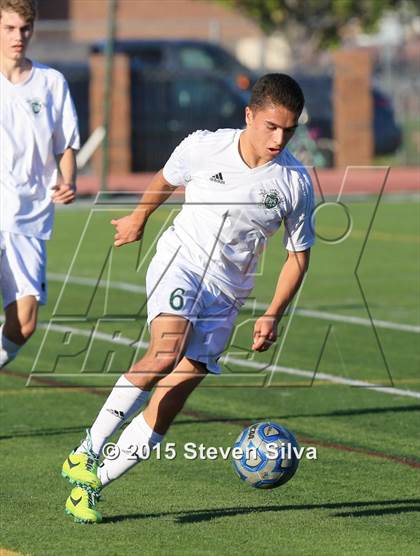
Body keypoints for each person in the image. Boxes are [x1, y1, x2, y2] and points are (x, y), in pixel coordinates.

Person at [62, 73, 315, 524]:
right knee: (165, 351)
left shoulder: (294, 182)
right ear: (249, 116)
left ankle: (91, 485)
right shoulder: (205, 146)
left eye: (289, 129)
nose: (280, 138)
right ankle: (86, 450)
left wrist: (273, 313)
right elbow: (166, 177)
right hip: (182, 262)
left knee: (174, 395)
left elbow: (298, 256)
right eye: (271, 127)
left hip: (228, 294)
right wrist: (139, 218)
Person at [0, 0, 79, 369]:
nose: (19, 37)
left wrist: (68, 180)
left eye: (25, 29)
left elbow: (64, 146)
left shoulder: (51, 83)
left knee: (25, 323)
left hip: (30, 216)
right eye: (10, 28)